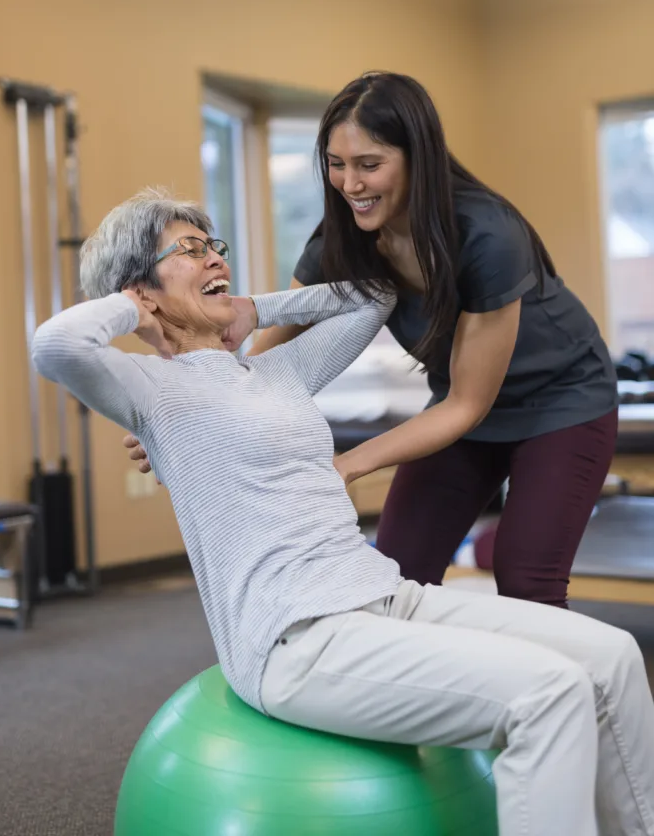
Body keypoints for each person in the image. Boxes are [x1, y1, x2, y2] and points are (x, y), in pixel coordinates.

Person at [33, 188, 654, 836]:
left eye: (213, 245)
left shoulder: (275, 371)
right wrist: (131, 311)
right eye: (189, 249)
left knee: (611, 658)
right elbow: (56, 344)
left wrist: (255, 307)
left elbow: (370, 297)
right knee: (547, 696)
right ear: (143, 288)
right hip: (293, 635)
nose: (214, 257)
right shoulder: (149, 391)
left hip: (380, 594)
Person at [248, 71, 619, 609]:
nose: (351, 184)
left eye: (369, 165)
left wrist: (349, 464)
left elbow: (467, 404)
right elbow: (270, 359)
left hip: (562, 403)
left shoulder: (488, 236)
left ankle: (567, 695)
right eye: (336, 164)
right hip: (462, 410)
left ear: (417, 158)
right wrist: (192, 413)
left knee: (525, 580)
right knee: (394, 573)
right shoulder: (342, 239)